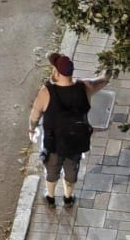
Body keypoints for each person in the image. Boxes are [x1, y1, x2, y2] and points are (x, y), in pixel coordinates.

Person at [28, 52, 110, 207]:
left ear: (57, 72)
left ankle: (51, 197)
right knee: (71, 172)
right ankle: (68, 198)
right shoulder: (85, 87)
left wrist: (32, 129)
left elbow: (35, 115)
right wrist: (110, 66)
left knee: (52, 172)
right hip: (76, 143)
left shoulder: (46, 92)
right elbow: (103, 80)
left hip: (53, 145)